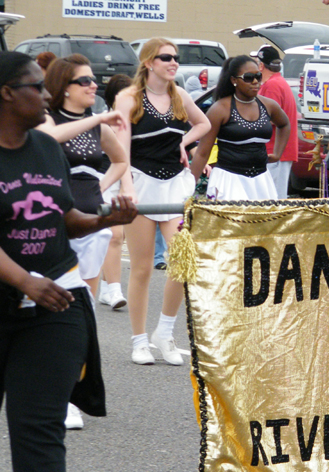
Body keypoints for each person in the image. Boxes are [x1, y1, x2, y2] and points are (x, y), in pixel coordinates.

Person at [0, 51, 136, 472]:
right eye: (37, 87)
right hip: (20, 290)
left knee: (39, 430)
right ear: (8, 93)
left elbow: (64, 214)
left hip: (52, 304)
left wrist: (107, 218)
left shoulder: (43, 147)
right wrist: (22, 279)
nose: (48, 95)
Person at [114, 38, 211, 366]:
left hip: (174, 186)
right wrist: (128, 190)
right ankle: (139, 340)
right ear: (148, 63)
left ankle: (165, 332)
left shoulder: (179, 95)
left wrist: (183, 142)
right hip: (141, 185)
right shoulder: (128, 99)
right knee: (141, 268)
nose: (174, 63)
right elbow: (121, 152)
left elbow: (204, 123)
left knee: (184, 260)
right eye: (166, 57)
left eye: (176, 58)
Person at [38, 55, 129, 300]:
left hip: (91, 221)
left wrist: (102, 185)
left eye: (93, 79)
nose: (93, 85)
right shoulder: (46, 119)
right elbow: (51, 137)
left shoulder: (97, 127)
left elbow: (121, 161)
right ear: (65, 87)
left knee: (85, 300)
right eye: (85, 80)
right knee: (57, 300)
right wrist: (97, 118)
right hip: (55, 226)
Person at [191, 55, 288, 200]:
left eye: (258, 76)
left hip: (261, 180)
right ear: (234, 80)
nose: (255, 82)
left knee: (264, 221)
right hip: (229, 180)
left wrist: (277, 154)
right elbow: (202, 153)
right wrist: (188, 189)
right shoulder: (220, 109)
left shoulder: (268, 105)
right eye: (248, 77)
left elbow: (284, 124)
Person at [98, 73, 133, 311]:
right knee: (113, 236)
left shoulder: (139, 122)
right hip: (103, 182)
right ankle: (114, 290)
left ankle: (104, 287)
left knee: (111, 238)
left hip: (130, 183)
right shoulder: (101, 122)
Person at [256, 45, 298, 199]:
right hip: (279, 151)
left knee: (272, 200)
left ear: (261, 65)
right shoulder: (278, 82)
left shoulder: (272, 85)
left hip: (275, 152)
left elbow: (270, 119)